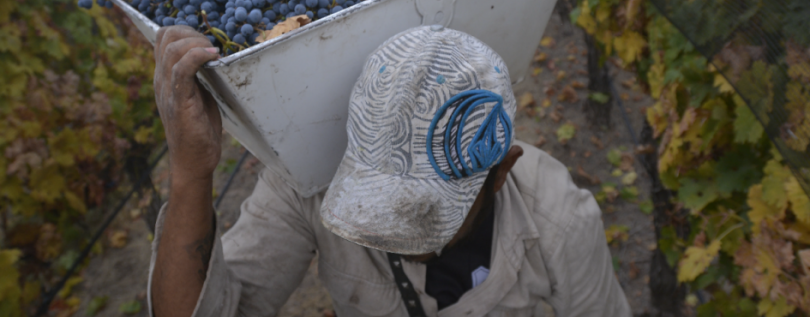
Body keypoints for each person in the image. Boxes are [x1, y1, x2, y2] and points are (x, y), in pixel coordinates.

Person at [148, 24, 631, 317]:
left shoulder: (560, 219)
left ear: (501, 172)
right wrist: (191, 173)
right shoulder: (307, 188)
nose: (394, 232)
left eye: (422, 213)